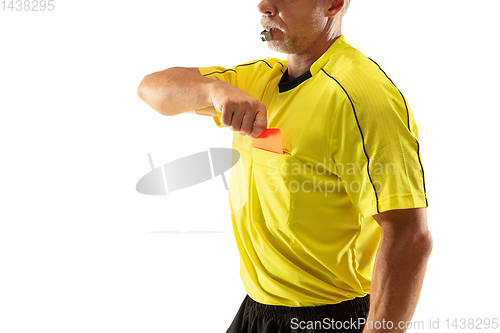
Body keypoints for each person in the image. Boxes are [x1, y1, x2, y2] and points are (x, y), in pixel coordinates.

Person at [137, 0, 433, 332]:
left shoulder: (363, 96)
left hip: (328, 319)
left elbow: (410, 235)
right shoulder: (259, 82)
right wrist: (214, 90)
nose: (264, 5)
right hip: (258, 310)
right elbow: (151, 89)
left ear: (333, 4)